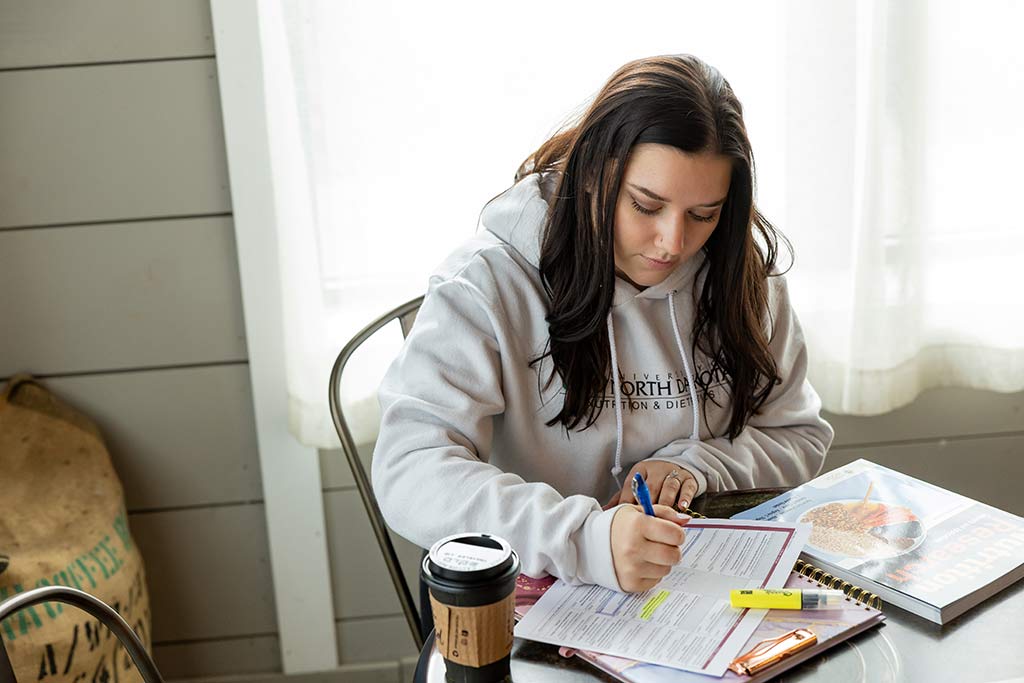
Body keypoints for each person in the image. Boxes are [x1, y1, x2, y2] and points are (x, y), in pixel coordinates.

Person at [372, 54, 833, 594]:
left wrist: (696, 468)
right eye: (645, 206)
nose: (673, 243)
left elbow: (797, 435)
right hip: (532, 584)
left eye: (703, 214)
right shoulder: (486, 282)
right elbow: (411, 469)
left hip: (694, 587)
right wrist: (584, 538)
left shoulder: (742, 278)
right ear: (594, 174)